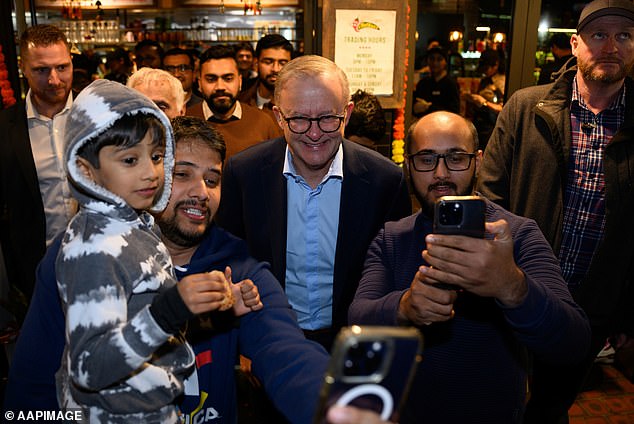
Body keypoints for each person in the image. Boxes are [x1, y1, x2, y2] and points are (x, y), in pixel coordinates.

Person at [3, 114, 331, 424]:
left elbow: (287, 352)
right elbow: (32, 386)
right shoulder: (81, 254)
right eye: (182, 174)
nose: (201, 193)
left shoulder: (237, 268)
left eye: (212, 180)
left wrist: (337, 406)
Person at [349, 111, 591, 424]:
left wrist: (512, 286)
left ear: (477, 161)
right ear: (408, 165)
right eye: (426, 159)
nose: (441, 173)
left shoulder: (516, 234)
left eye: (456, 158)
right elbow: (357, 319)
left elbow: (573, 342)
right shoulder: (392, 238)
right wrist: (404, 307)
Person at [55, 79, 258, 422]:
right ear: (86, 170)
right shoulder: (95, 247)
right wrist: (170, 309)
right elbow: (90, 368)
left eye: (157, 156)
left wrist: (213, 310)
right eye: (129, 160)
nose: (150, 173)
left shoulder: (134, 226)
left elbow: (144, 324)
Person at [477, 0, 634, 422]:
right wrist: (500, 275)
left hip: (592, 304)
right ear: (576, 44)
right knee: (498, 395)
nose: (611, 47)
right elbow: (490, 194)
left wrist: (626, 312)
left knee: (551, 405)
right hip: (519, 288)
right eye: (599, 35)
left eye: (623, 36)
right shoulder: (526, 107)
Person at [215, 55, 412, 351]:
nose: (315, 133)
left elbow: (395, 275)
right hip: (270, 340)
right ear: (279, 116)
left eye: (328, 118)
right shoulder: (244, 173)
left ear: (347, 114)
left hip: (355, 343)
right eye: (299, 120)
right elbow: (230, 258)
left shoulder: (385, 181)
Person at [0, 24, 75, 317]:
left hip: (100, 262)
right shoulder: (5, 128)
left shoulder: (98, 115)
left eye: (62, 67)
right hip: (34, 272)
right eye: (42, 70)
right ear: (23, 68)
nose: (54, 79)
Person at [187, 44, 282, 159]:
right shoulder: (185, 121)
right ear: (200, 83)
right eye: (211, 79)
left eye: (228, 79)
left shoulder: (263, 122)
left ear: (240, 81)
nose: (220, 87)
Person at [238, 34, 293, 113]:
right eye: (268, 62)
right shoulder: (241, 98)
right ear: (256, 62)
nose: (275, 69)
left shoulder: (298, 102)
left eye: (282, 63)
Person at [465, 48, 506, 150]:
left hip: (492, 127)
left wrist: (484, 102)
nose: (484, 71)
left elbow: (503, 108)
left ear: (496, 65)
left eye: (486, 68)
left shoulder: (502, 82)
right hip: (479, 124)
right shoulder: (485, 80)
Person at [412, 46, 460, 117]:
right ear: (427, 61)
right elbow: (415, 106)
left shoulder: (451, 84)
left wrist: (428, 107)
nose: (435, 63)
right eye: (432, 59)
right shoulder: (423, 83)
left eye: (439, 59)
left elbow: (454, 112)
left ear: (445, 62)